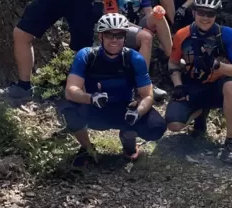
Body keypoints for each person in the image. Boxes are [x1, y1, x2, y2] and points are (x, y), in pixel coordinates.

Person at [57, 13, 166, 167]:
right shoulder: (87, 55)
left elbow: (147, 95)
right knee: (68, 109)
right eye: (109, 35)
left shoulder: (134, 59)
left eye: (119, 35)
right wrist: (91, 98)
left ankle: (128, 140)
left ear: (125, 36)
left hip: (125, 109)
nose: (115, 40)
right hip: (96, 108)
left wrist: (138, 112)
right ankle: (87, 149)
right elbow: (71, 90)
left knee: (156, 127)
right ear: (101, 36)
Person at [165, 0, 232, 164]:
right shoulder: (182, 34)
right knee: (174, 125)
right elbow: (172, 63)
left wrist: (217, 65)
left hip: (218, 85)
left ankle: (231, 142)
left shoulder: (227, 35)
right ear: (193, 12)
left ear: (216, 15)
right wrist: (178, 85)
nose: (206, 18)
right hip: (193, 84)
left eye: (211, 14)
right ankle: (201, 113)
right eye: (201, 12)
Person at [104, 0, 172, 101]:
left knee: (158, 15)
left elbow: (148, 13)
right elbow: (115, 20)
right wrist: (142, 30)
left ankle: (171, 56)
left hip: (136, 25)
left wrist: (156, 13)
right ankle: (143, 84)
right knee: (146, 37)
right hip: (119, 28)